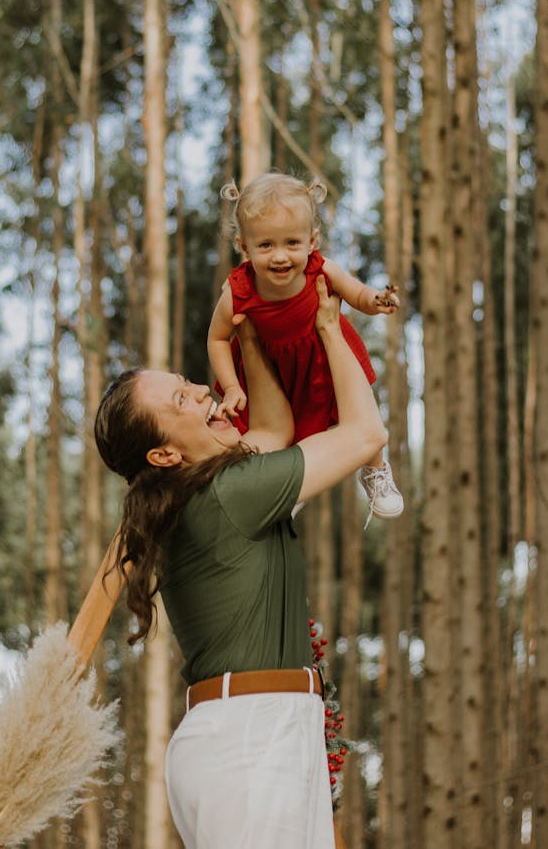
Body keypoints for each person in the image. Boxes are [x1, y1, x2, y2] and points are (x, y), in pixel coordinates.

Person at [94, 277, 387, 848]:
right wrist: (328, 325)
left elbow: (273, 430)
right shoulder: (228, 495)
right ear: (164, 454)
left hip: (260, 732)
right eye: (182, 400)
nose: (204, 391)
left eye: (189, 383)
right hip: (250, 738)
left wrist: (249, 333)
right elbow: (365, 434)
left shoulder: (206, 493)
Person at [207, 171, 403, 522]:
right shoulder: (238, 292)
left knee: (354, 409)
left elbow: (355, 293)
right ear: (244, 247)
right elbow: (217, 338)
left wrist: (376, 300)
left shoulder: (321, 270)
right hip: (274, 369)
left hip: (322, 359)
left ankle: (375, 468)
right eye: (266, 245)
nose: (280, 256)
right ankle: (294, 482)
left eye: (292, 243)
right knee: (282, 428)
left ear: (312, 240)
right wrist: (233, 386)